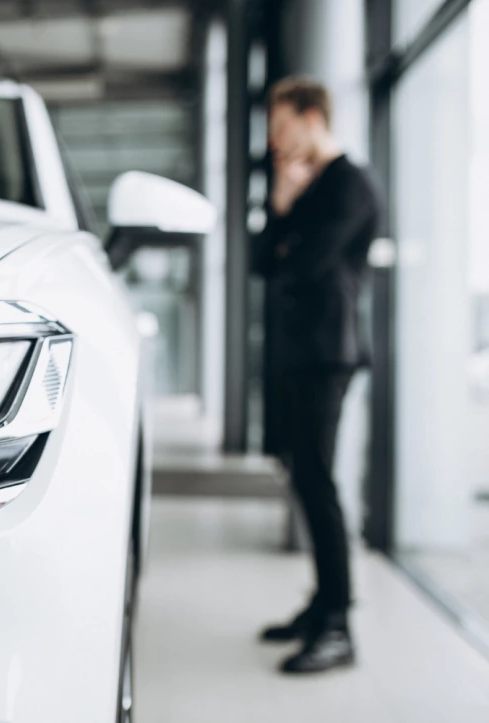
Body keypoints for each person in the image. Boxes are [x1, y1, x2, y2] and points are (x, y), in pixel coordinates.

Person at [251, 76, 380, 674]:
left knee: (320, 484)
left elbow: (301, 266)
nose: (275, 142)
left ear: (310, 117)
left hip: (330, 353)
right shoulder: (301, 186)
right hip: (301, 352)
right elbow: (261, 263)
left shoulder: (349, 183)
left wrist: (287, 223)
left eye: (280, 128)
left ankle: (339, 626)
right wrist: (280, 205)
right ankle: (323, 604)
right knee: (305, 480)